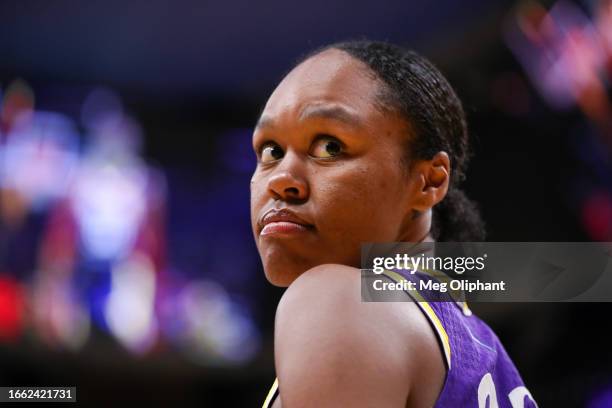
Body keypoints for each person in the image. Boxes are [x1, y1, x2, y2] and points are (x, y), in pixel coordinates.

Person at [251, 40, 537, 407]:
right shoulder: (477, 350)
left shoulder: (337, 300)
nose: (281, 179)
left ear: (430, 182)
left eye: (329, 147)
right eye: (271, 151)